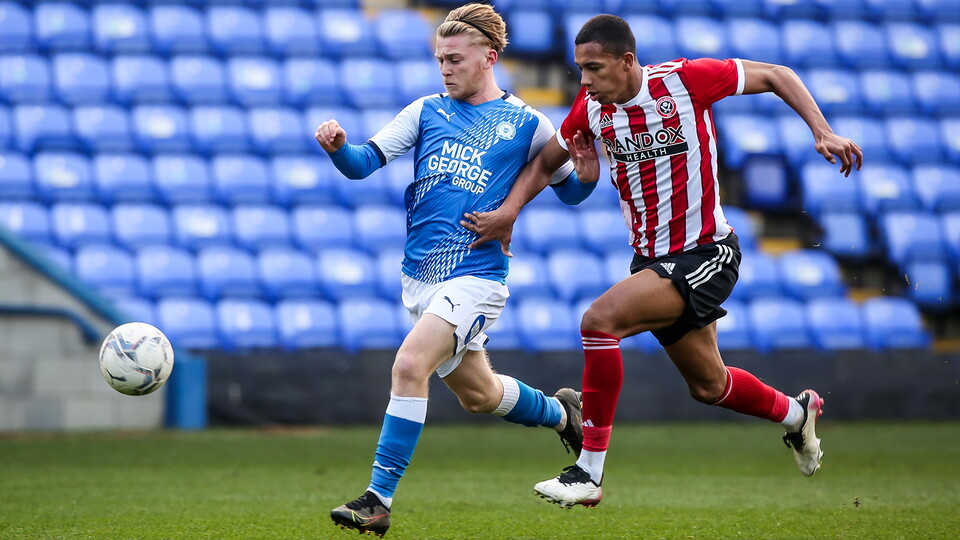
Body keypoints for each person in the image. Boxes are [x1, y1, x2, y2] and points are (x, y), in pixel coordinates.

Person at [462, 14, 864, 508]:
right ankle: (796, 415)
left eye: (594, 68)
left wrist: (821, 132)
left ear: (627, 62)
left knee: (598, 322)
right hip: (652, 262)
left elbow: (778, 74)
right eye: (579, 69)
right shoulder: (591, 108)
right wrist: (511, 211)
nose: (583, 80)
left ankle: (588, 471)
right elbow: (548, 162)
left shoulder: (685, 80)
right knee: (709, 385)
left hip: (705, 253)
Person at [315, 4, 599, 536]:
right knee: (481, 396)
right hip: (420, 279)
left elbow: (572, 193)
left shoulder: (527, 124)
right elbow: (362, 163)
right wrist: (337, 149)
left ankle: (377, 498)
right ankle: (564, 415)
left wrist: (585, 172)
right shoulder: (426, 111)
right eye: (439, 59)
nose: (445, 69)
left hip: (476, 277)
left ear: (488, 57)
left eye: (455, 59)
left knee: (408, 365)